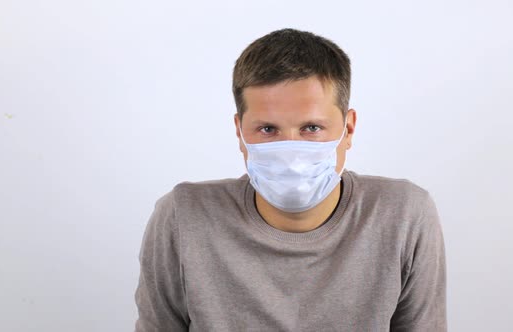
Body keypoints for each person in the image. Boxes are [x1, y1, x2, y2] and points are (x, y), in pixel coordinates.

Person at [134, 28, 447, 331]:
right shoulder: (183, 217)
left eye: (311, 128)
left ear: (348, 130)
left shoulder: (403, 215)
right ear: (239, 133)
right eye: (268, 129)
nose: (291, 154)